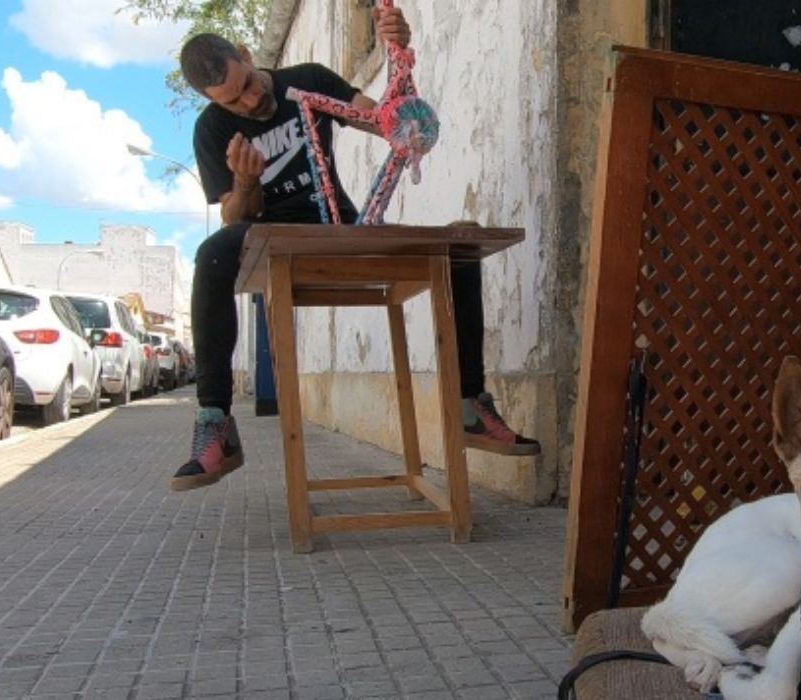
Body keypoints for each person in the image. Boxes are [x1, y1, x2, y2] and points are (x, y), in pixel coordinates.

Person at [171, 7, 538, 492]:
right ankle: (215, 420)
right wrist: (244, 182)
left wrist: (398, 58)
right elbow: (236, 217)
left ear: (245, 55)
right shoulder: (212, 129)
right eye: (233, 101)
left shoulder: (306, 80)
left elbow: (388, 123)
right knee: (213, 253)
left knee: (460, 246)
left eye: (248, 84)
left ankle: (470, 406)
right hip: (273, 238)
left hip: (337, 226)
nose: (249, 100)